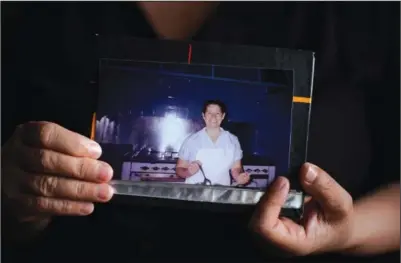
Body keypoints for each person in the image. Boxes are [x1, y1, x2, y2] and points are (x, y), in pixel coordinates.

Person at [2, 2, 399, 262]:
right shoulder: (47, 21)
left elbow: (240, 171)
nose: (211, 119)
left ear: (223, 117)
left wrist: (346, 231)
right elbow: (177, 170)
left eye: (216, 114)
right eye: (206, 113)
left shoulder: (360, 15)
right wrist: (16, 207)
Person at [176, 100, 250, 186]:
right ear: (203, 116)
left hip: (222, 192)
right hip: (195, 192)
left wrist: (239, 177)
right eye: (209, 113)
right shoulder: (191, 141)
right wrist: (188, 172)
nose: (213, 117)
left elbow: (236, 168)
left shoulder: (232, 140)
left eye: (217, 113)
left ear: (223, 116)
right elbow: (179, 169)